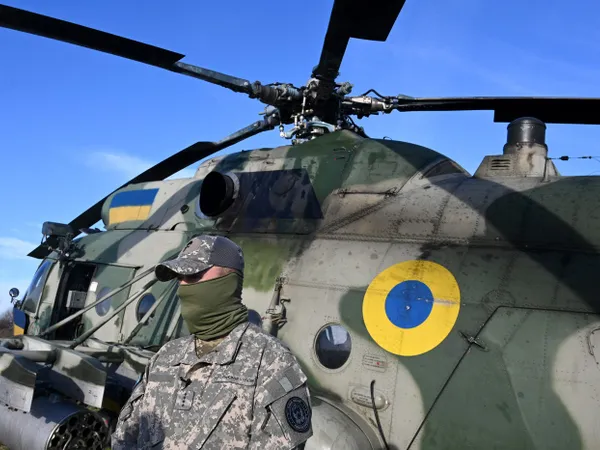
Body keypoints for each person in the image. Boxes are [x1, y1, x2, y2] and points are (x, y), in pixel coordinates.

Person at [111, 235, 313, 449]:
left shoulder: (272, 363)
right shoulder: (166, 356)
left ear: (229, 280)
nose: (183, 286)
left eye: (194, 275)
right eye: (180, 277)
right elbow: (125, 437)